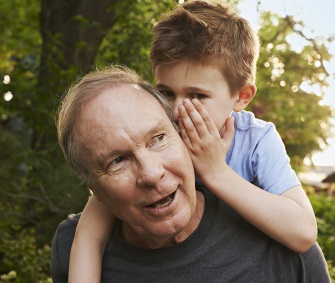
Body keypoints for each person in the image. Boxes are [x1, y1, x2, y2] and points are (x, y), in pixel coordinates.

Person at [68, 1, 318, 281]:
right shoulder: (153, 140)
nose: (176, 111)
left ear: (241, 96)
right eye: (166, 92)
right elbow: (89, 237)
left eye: (197, 96)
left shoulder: (255, 141)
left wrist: (216, 172)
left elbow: (303, 233)